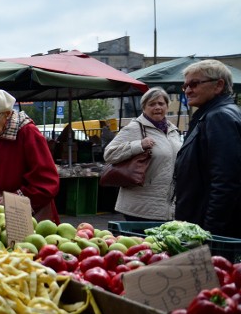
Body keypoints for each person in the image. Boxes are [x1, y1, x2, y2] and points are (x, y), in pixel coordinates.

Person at [0, 89, 60, 223]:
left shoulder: (28, 133)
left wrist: (14, 201)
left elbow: (47, 182)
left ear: (7, 114)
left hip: (27, 222)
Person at [174, 59, 241, 237]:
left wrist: (210, 233)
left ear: (218, 85)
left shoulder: (219, 117)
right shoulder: (211, 114)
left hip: (208, 230)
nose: (188, 90)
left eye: (194, 84)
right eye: (185, 85)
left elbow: (226, 182)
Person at [103, 87, 182, 221]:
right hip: (140, 206)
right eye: (152, 104)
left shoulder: (173, 131)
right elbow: (109, 154)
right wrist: (139, 145)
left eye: (161, 104)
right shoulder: (135, 128)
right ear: (144, 107)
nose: (157, 107)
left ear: (167, 106)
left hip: (168, 207)